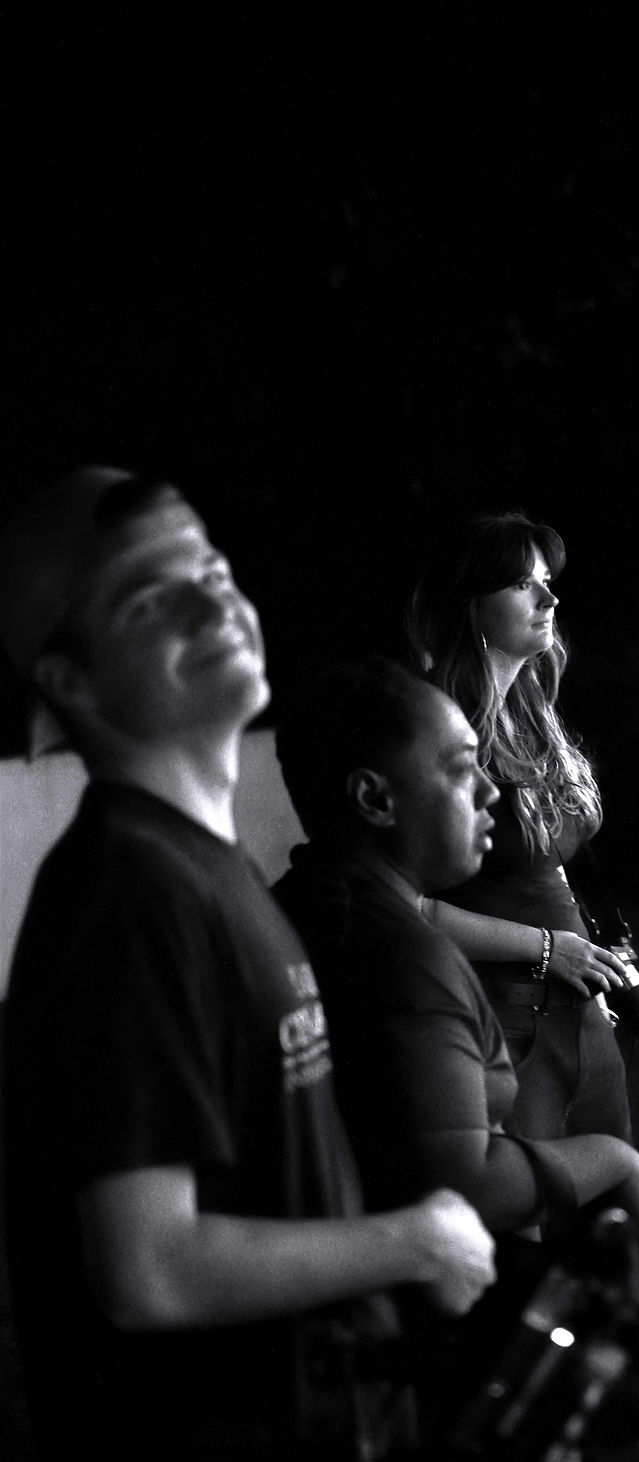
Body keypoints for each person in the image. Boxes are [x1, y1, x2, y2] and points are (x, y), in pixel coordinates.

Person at [0, 468, 496, 1462]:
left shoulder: (201, 868)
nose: (210, 595)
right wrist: (417, 1238)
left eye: (210, 567)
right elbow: (151, 1266)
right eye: (151, 596)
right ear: (71, 683)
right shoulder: (129, 892)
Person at [273, 656, 639, 1247]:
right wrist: (613, 1160)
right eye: (463, 770)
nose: (491, 792)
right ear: (374, 798)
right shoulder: (405, 960)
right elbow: (465, 1190)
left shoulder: (300, 902)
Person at [403, 511, 634, 1143]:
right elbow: (405, 906)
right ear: (471, 606)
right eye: (522, 585)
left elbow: (545, 868)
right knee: (534, 1215)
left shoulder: (533, 714)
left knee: (611, 1217)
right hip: (503, 1020)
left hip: (578, 1010)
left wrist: (586, 962)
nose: (549, 597)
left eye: (546, 580)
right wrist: (548, 949)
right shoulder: (436, 726)